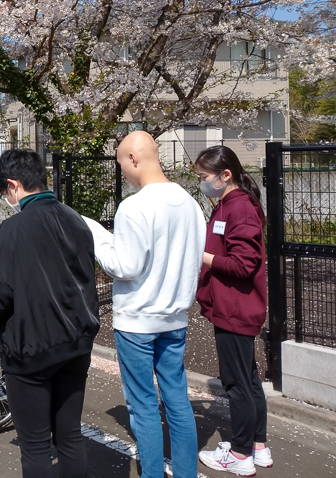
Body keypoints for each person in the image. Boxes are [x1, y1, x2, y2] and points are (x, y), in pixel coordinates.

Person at [0, 149, 100, 478]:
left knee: (36, 445)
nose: (6, 199)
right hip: (76, 342)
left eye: (4, 192)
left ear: (13, 185)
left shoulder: (15, 229)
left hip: (31, 349)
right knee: (69, 436)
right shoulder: (76, 220)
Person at [82, 131, 206, 478]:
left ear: (133, 158)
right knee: (177, 401)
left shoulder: (134, 206)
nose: (122, 170)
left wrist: (97, 237)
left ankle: (152, 473)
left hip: (137, 320)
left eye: (121, 163)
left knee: (144, 406)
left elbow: (125, 266)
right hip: (175, 317)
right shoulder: (191, 204)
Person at [195, 146, 272, 476]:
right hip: (234, 306)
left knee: (237, 383)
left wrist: (200, 255)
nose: (202, 182)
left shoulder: (239, 207)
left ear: (225, 175)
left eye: (204, 177)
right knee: (248, 379)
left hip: (235, 308)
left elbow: (243, 264)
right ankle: (258, 445)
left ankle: (240, 454)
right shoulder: (229, 204)